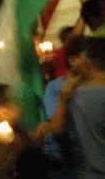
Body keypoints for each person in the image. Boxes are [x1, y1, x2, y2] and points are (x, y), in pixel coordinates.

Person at [41, 37, 105, 178]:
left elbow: (56, 128)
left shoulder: (71, 95)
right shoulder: (68, 91)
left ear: (88, 62)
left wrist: (63, 99)